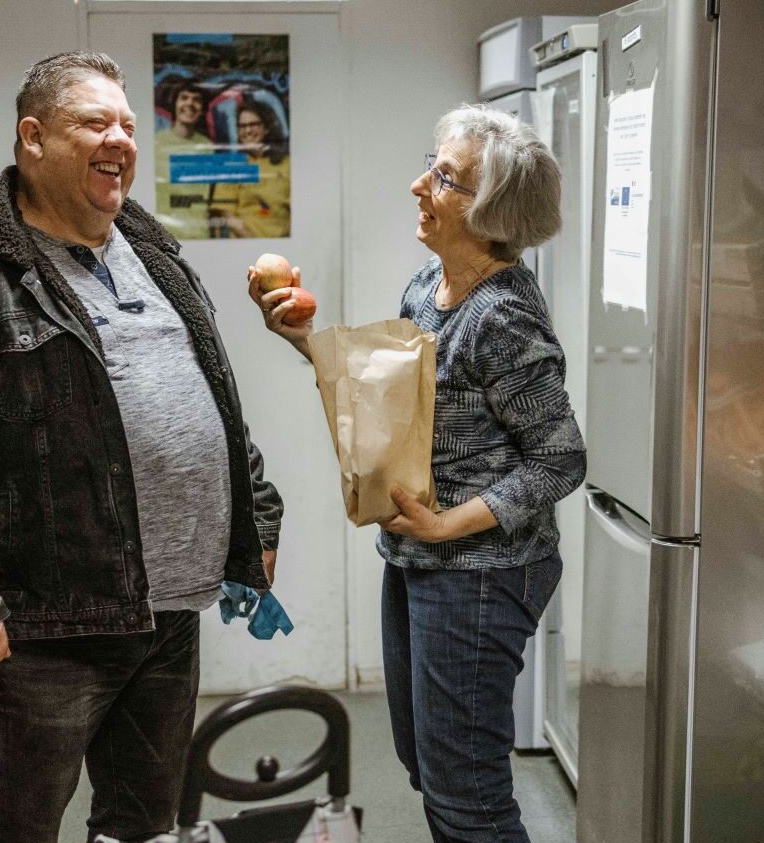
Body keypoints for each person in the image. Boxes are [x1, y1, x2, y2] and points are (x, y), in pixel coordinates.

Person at [0, 51, 284, 843]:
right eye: (94, 122)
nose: (119, 139)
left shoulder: (153, 252)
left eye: (127, 123)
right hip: (46, 624)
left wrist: (254, 519)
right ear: (32, 137)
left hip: (168, 608)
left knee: (141, 821)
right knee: (20, 826)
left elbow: (216, 400)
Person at [249, 104, 585, 842]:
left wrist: (446, 523)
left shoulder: (502, 318)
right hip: (420, 558)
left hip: (483, 568)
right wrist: (306, 340)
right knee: (427, 766)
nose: (418, 185)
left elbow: (560, 459)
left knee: (467, 792)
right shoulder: (426, 286)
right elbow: (390, 398)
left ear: (490, 210)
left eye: (443, 177)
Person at [211, 99, 291, 238]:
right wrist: (256, 245)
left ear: (266, 128)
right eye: (242, 126)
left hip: (282, 248)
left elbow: (297, 213)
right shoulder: (232, 166)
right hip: (244, 246)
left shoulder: (287, 164)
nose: (247, 130)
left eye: (253, 124)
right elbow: (228, 216)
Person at [154, 79, 214, 240]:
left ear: (202, 109)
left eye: (196, 99)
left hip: (200, 235)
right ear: (175, 104)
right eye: (184, 97)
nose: (190, 103)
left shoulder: (208, 147)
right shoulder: (156, 143)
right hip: (164, 237)